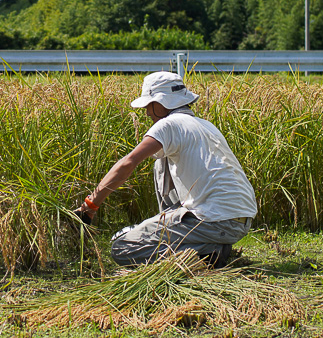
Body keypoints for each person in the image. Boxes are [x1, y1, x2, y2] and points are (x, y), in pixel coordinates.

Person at [75, 71, 257, 267]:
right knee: (160, 160)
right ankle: (207, 246)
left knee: (122, 247)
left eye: (149, 106)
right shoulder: (206, 126)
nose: (146, 113)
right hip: (241, 222)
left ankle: (209, 252)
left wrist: (90, 206)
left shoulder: (168, 125)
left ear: (161, 103)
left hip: (214, 220)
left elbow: (128, 163)